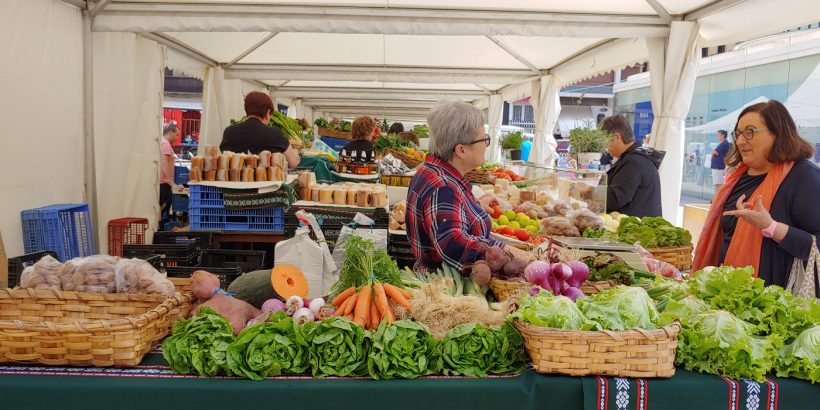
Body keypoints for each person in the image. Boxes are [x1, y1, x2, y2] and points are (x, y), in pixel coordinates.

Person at [694, 100, 820, 294]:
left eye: (750, 132)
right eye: (738, 134)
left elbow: (815, 245)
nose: (741, 141)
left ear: (778, 133)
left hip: (773, 304)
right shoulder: (737, 178)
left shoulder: (804, 177)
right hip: (726, 294)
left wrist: (771, 226)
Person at [406, 100, 528, 273]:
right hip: (448, 287)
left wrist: (474, 207)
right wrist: (508, 251)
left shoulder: (436, 173)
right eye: (484, 139)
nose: (486, 145)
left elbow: (442, 220)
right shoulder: (443, 186)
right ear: (461, 150)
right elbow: (453, 243)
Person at [601, 115, 663, 217]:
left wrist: (591, 191)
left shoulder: (633, 162)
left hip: (637, 229)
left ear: (616, 137)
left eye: (605, 141)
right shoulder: (634, 158)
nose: (605, 147)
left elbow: (617, 198)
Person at [219, 91, 300, 168]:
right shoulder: (274, 134)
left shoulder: (229, 132)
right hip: (269, 182)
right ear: (268, 112)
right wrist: (296, 152)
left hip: (233, 180)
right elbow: (293, 163)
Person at [159, 124, 179, 217]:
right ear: (171, 133)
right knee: (164, 209)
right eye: (176, 134)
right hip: (164, 184)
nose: (177, 137)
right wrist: (169, 181)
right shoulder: (165, 144)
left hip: (163, 183)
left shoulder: (162, 142)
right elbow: (164, 162)